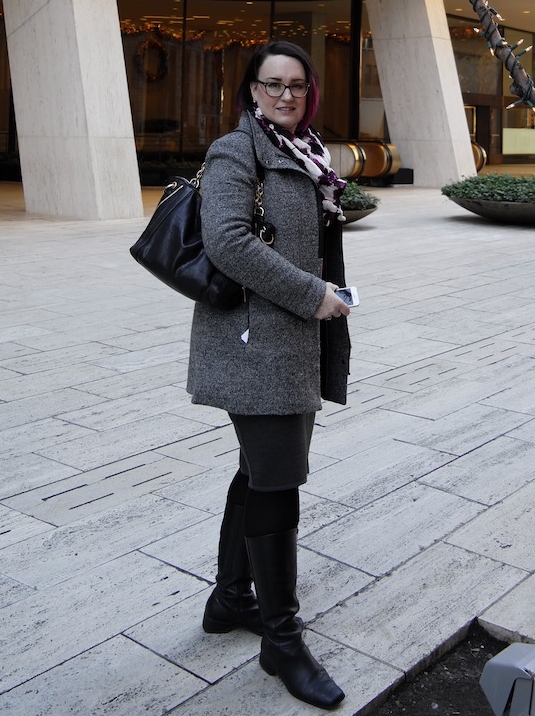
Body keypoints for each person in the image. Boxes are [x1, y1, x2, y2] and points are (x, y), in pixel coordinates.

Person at [187, 40, 351, 710]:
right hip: (255, 344)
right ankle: (282, 641)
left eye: (296, 85)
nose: (285, 95)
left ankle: (230, 598)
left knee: (259, 470)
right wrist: (312, 295)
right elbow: (228, 241)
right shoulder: (237, 151)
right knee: (279, 479)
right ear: (252, 91)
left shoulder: (307, 152)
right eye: (272, 84)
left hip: (293, 341)